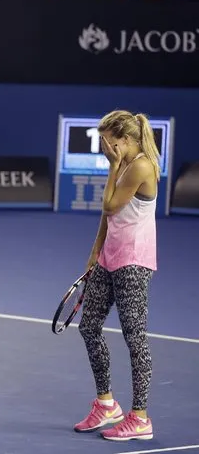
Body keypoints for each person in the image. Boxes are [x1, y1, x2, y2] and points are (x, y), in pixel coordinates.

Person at [74, 110, 159, 441]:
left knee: (135, 337)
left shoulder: (139, 165)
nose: (104, 148)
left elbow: (109, 205)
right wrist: (96, 251)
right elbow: (109, 219)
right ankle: (107, 404)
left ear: (124, 139)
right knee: (89, 326)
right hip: (110, 258)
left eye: (107, 141)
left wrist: (112, 166)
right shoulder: (125, 163)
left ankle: (140, 416)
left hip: (134, 262)